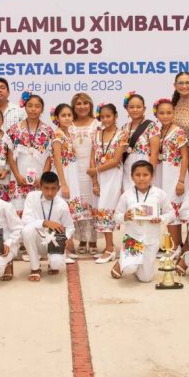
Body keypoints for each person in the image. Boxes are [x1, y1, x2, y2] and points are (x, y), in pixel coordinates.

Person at [113, 160, 174, 282]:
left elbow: (171, 213)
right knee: (130, 268)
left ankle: (133, 262)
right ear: (132, 176)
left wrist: (161, 218)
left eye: (145, 175)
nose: (141, 178)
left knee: (146, 279)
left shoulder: (160, 194)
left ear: (152, 176)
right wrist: (124, 217)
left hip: (151, 241)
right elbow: (116, 215)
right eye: (138, 175)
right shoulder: (126, 195)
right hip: (132, 239)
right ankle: (122, 263)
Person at [7, 92, 54, 216]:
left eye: (37, 106)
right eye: (30, 105)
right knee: (18, 215)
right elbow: (9, 155)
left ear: (42, 109)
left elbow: (50, 157)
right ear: (25, 107)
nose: (33, 109)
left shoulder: (48, 130)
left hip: (39, 181)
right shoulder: (14, 129)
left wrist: (43, 178)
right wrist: (17, 175)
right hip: (19, 179)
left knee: (39, 214)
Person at [22, 171, 75, 281]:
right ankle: (35, 268)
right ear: (40, 187)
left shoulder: (62, 204)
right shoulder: (31, 197)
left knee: (56, 264)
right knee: (26, 230)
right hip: (37, 239)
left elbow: (70, 227)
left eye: (53, 188)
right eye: (46, 188)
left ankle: (53, 262)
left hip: (54, 241)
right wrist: (45, 222)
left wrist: (66, 237)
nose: (50, 192)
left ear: (58, 188)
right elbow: (26, 220)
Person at [91, 103, 126, 264]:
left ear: (115, 116)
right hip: (99, 176)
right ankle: (108, 247)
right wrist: (94, 180)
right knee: (100, 209)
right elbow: (92, 157)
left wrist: (96, 170)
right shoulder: (97, 134)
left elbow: (116, 159)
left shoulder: (122, 135)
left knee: (107, 209)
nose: (105, 119)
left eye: (109, 116)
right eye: (102, 116)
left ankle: (110, 248)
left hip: (113, 176)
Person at [50, 104, 86, 259]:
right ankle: (58, 249)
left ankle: (65, 248)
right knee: (59, 213)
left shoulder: (68, 133)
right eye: (63, 115)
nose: (67, 118)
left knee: (67, 214)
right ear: (57, 118)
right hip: (63, 175)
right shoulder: (58, 135)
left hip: (71, 173)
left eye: (69, 115)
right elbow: (57, 160)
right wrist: (63, 183)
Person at [153, 98, 189, 253]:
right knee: (166, 208)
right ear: (157, 114)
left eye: (169, 112)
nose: (165, 116)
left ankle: (174, 247)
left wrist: (181, 180)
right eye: (162, 113)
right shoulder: (158, 132)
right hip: (162, 174)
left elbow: (185, 157)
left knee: (174, 210)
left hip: (174, 175)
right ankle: (175, 244)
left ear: (173, 113)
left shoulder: (178, 131)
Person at [69, 92, 100, 256]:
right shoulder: (69, 125)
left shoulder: (97, 124)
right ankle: (81, 239)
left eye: (85, 103)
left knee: (92, 203)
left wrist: (95, 174)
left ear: (91, 105)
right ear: (74, 106)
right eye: (79, 103)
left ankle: (93, 240)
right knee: (79, 204)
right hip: (74, 171)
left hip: (92, 170)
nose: (82, 106)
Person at [120, 92, 160, 175]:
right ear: (127, 109)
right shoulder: (124, 128)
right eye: (131, 107)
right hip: (127, 171)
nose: (135, 110)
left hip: (145, 170)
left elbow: (154, 154)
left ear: (144, 109)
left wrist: (150, 174)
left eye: (138, 107)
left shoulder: (151, 126)